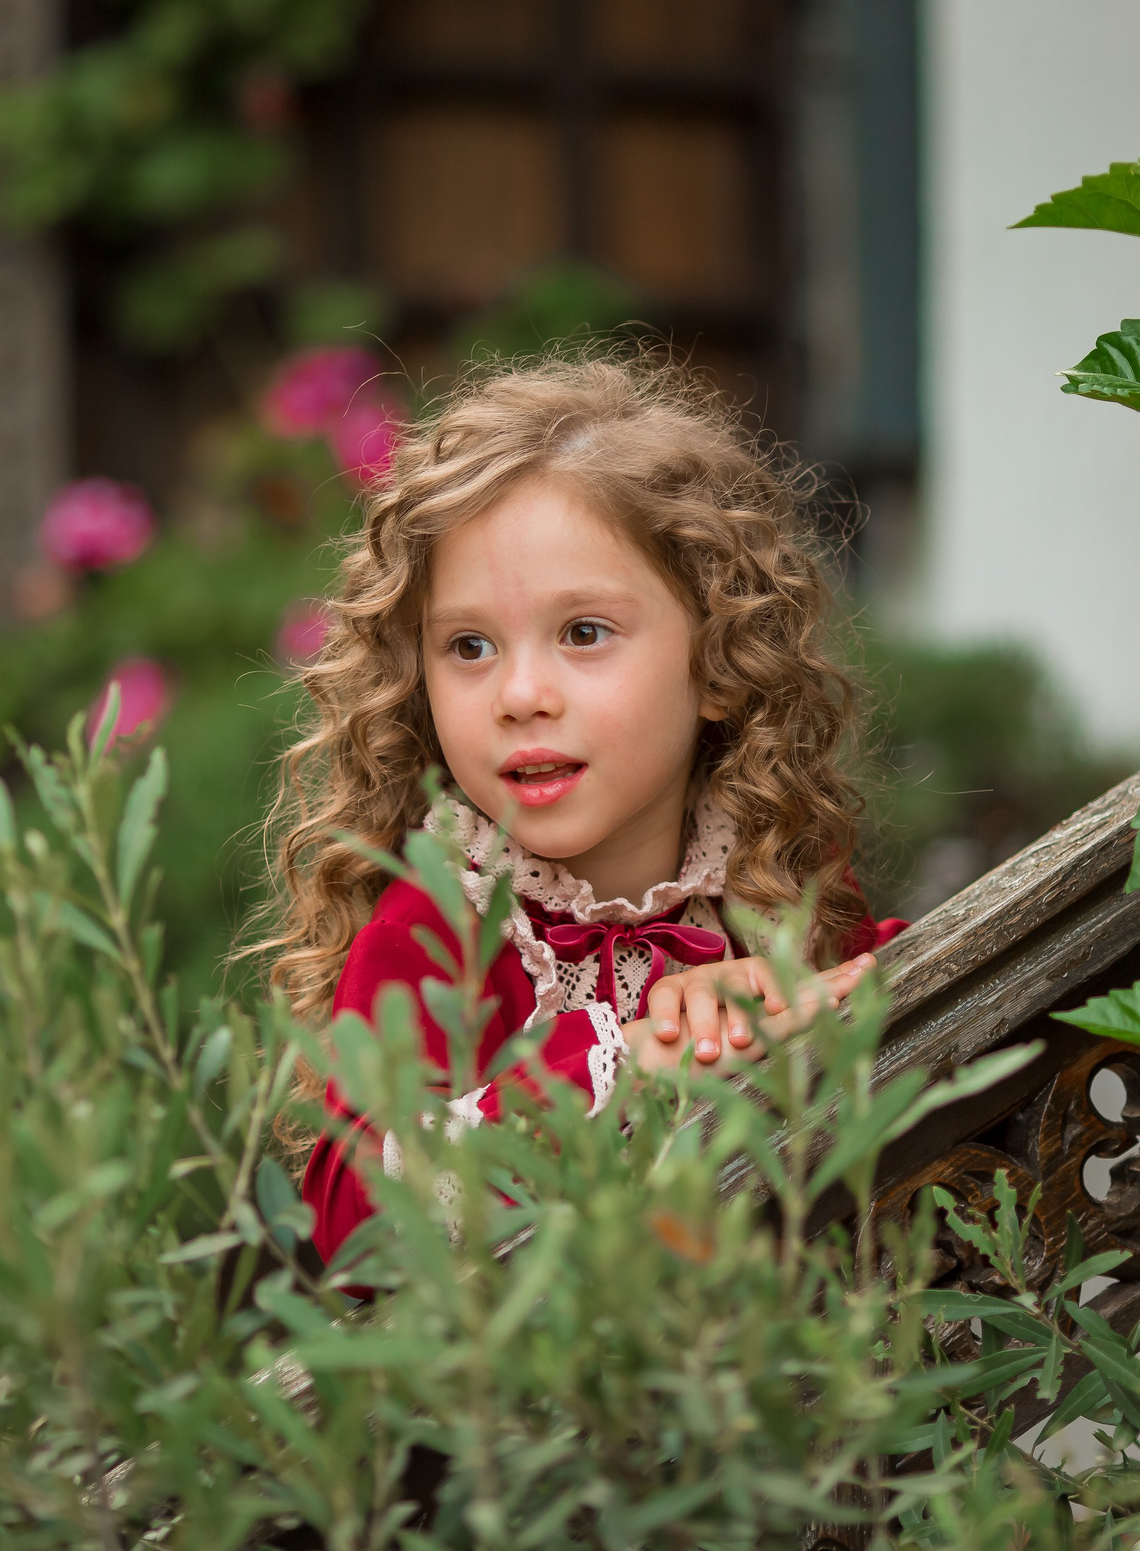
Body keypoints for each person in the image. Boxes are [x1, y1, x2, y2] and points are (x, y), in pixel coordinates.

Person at [259, 352, 907, 1265]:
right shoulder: (437, 921)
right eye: (470, 645)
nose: (520, 693)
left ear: (718, 661)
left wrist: (796, 1002)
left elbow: (905, 1023)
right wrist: (635, 1058)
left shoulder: (774, 868)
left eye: (584, 632)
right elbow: (354, 1220)